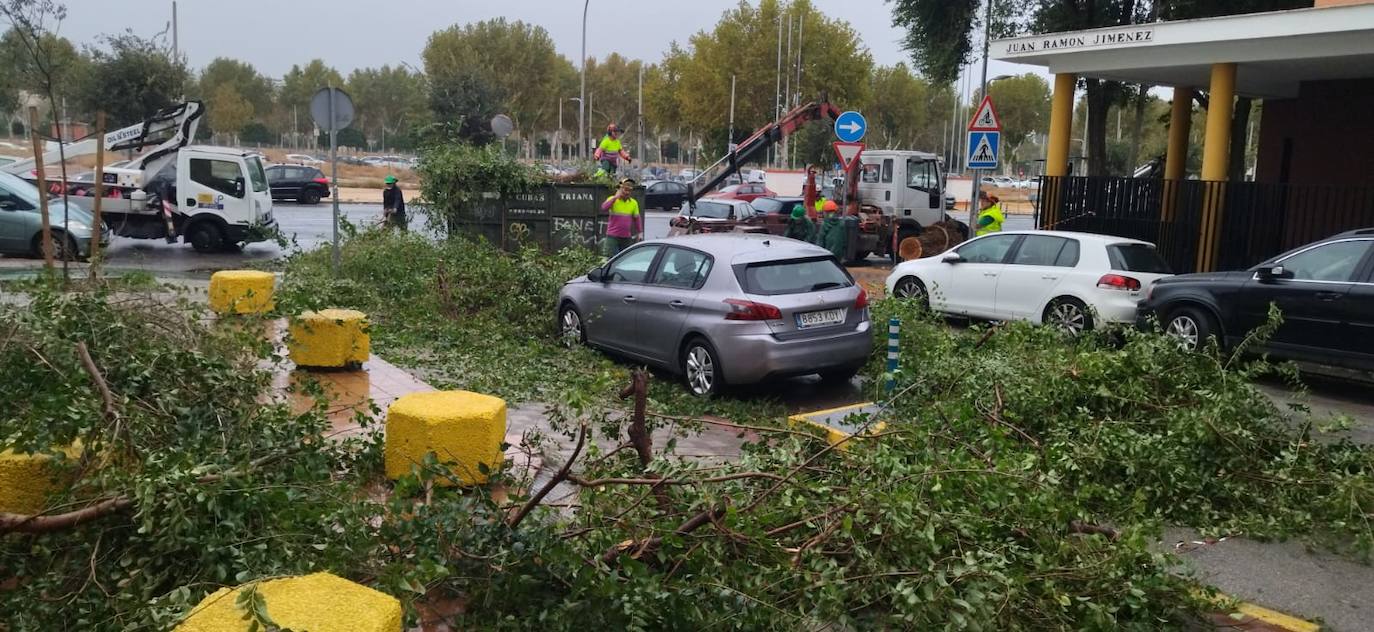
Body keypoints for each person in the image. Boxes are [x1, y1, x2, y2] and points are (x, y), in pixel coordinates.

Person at [601, 178, 641, 256]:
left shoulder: (633, 203)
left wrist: (640, 232)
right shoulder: (612, 199)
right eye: (625, 190)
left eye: (629, 190)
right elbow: (604, 208)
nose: (627, 192)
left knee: (626, 259)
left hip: (626, 237)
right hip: (612, 236)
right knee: (610, 258)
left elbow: (637, 218)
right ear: (620, 189)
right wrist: (615, 197)